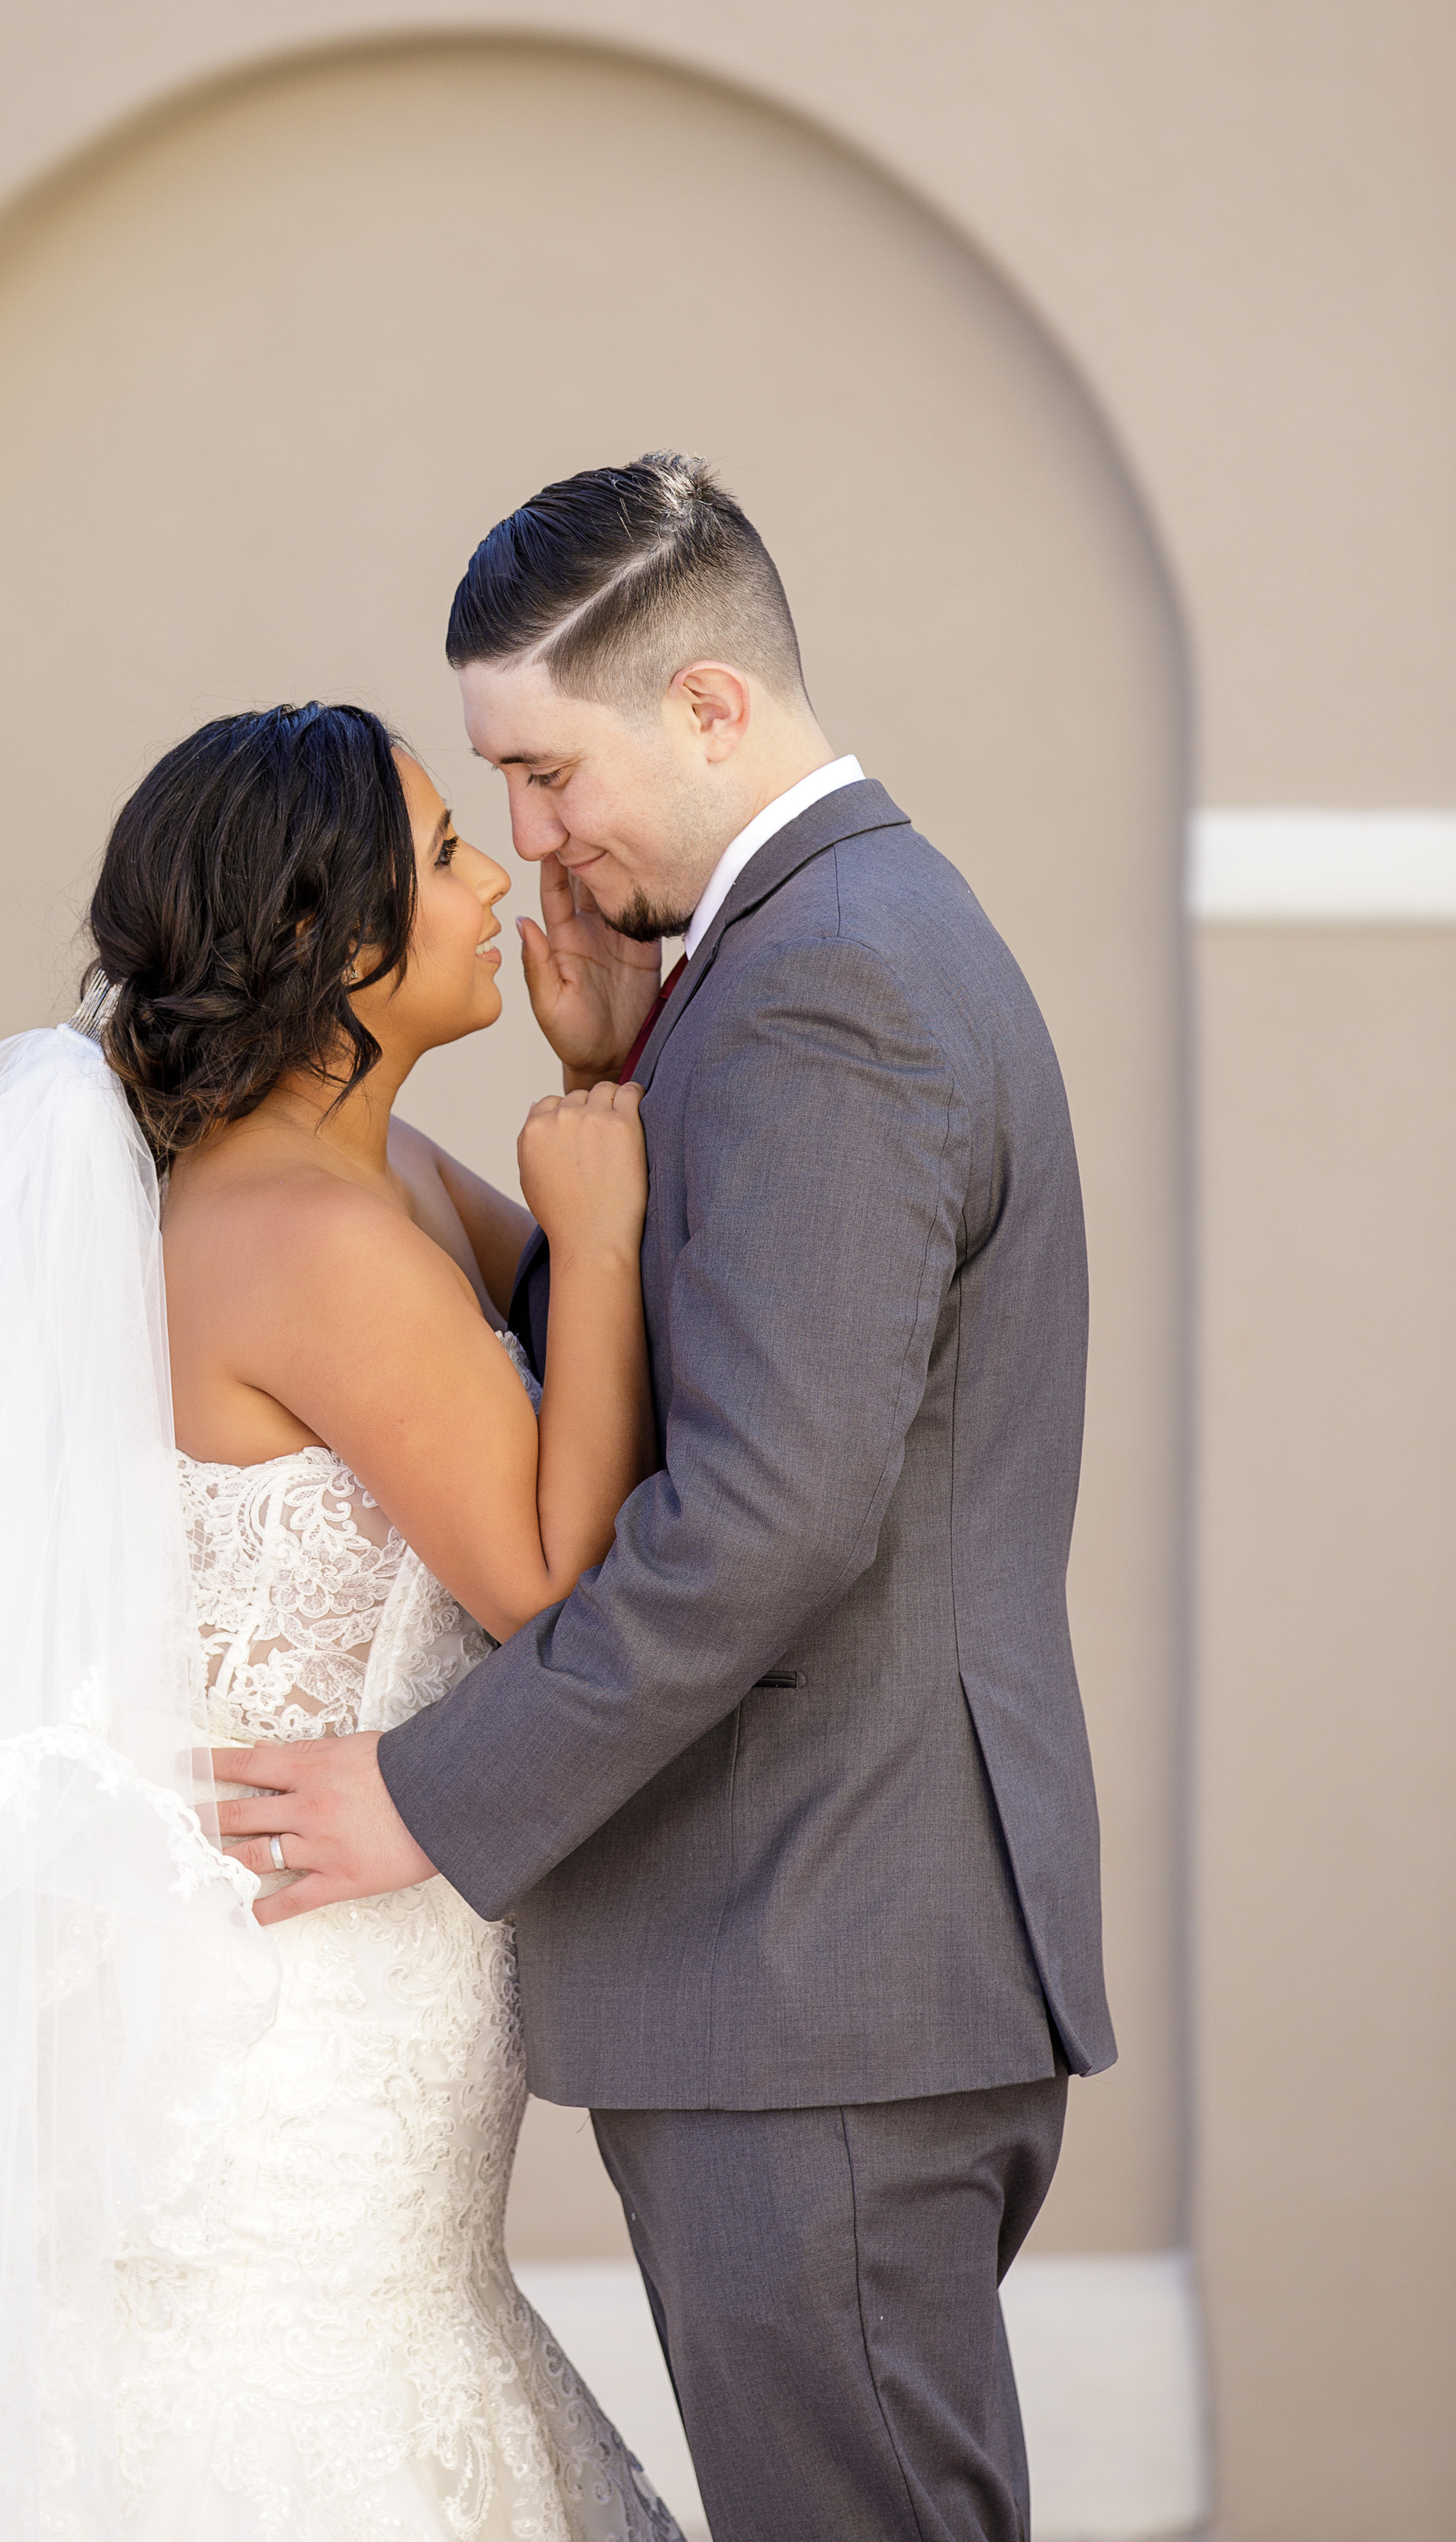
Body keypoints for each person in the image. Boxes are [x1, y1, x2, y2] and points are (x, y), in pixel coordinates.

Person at [0, 701, 681, 2542]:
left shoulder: (367, 1181)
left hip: (352, 1946)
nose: (495, 876)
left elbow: (568, 1347)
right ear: (334, 945)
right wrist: (613, 1206)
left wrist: (591, 1115)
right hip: (314, 1982)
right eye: (437, 856)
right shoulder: (309, 1239)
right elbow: (552, 1578)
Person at [214, 456, 1118, 2542]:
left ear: (708, 711)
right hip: (821, 1959)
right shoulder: (788, 956)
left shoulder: (831, 987)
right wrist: (622, 1083)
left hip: (820, 1962)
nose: (527, 835)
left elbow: (765, 1525)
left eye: (543, 769)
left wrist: (431, 1792)